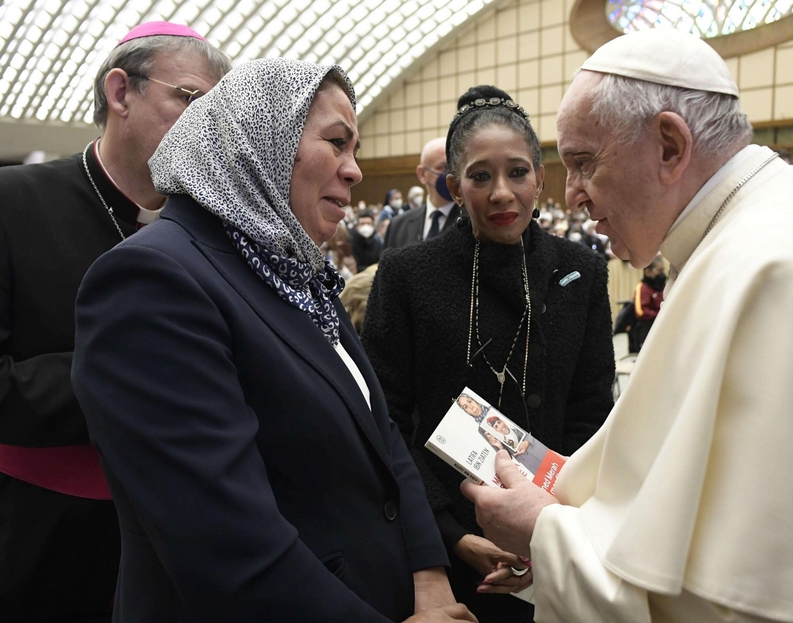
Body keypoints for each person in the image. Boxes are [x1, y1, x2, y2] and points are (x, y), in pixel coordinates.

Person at [463, 29, 793, 623]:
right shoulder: (768, 231)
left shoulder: (776, 276)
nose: (572, 195)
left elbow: (748, 601)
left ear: (668, 145)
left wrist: (543, 535)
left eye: (583, 162)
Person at [71, 58, 476, 623]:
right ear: (259, 137)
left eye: (354, 150)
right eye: (336, 143)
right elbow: (226, 547)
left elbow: (380, 436)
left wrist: (430, 583)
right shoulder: (153, 280)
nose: (355, 170)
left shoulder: (291, 268)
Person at [0, 22, 229, 621]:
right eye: (190, 99)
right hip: (42, 525)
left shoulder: (210, 225)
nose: (206, 124)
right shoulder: (13, 202)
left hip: (172, 528)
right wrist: (126, 373)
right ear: (121, 92)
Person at [363, 85, 615, 622]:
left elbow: (591, 414)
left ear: (540, 177)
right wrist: (451, 536)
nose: (502, 192)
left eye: (517, 172)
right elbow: (387, 421)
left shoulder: (580, 273)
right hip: (441, 546)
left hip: (553, 535)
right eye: (481, 176)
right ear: (455, 186)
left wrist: (551, 528)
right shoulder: (408, 275)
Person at [384, 138, 461, 248]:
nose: (451, 174)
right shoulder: (398, 226)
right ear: (423, 174)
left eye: (456, 167)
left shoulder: (474, 222)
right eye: (444, 167)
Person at [632, 255, 665, 351]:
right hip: (648, 328)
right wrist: (660, 315)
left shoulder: (664, 286)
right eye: (659, 271)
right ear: (648, 272)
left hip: (663, 325)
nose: (662, 274)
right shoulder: (642, 288)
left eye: (663, 270)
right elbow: (641, 312)